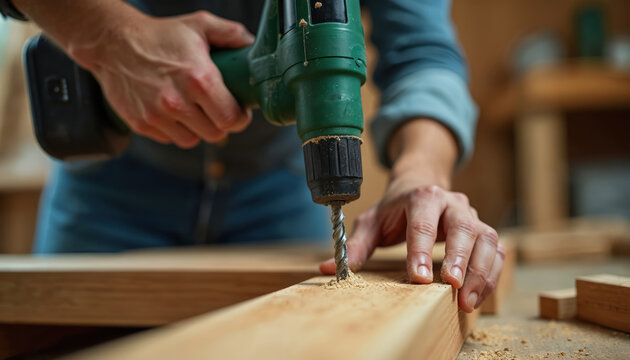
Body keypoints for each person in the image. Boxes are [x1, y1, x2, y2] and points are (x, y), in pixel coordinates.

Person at [2, 0, 504, 313]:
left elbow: (424, 55)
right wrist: (110, 37)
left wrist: (419, 171)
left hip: (275, 193)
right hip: (110, 188)